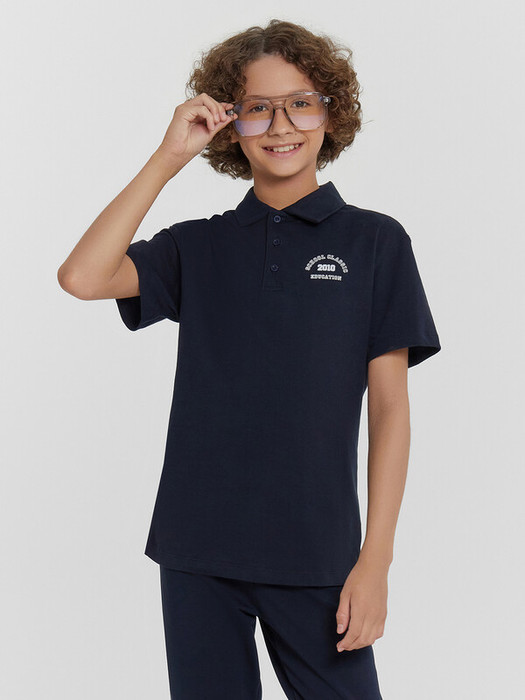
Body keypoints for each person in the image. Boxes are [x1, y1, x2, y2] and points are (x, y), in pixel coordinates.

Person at [57, 18, 441, 700]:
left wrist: (375, 560)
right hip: (197, 549)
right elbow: (82, 277)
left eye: (300, 103)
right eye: (258, 107)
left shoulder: (376, 243)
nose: (280, 124)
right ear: (231, 124)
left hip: (318, 553)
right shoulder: (196, 246)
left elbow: (389, 409)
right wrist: (167, 158)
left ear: (330, 113)